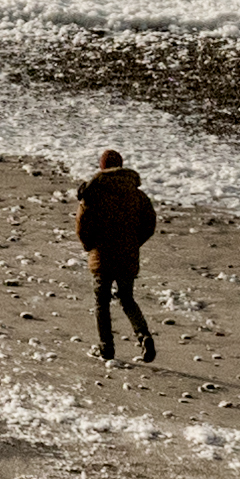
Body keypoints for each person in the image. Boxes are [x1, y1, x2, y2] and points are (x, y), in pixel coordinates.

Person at [75, 149, 159, 363]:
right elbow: (149, 224)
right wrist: (133, 243)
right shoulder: (137, 194)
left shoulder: (93, 192)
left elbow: (82, 224)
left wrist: (89, 245)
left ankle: (106, 348)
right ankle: (144, 335)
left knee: (101, 302)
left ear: (102, 167)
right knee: (127, 299)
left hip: (102, 255)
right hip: (127, 255)